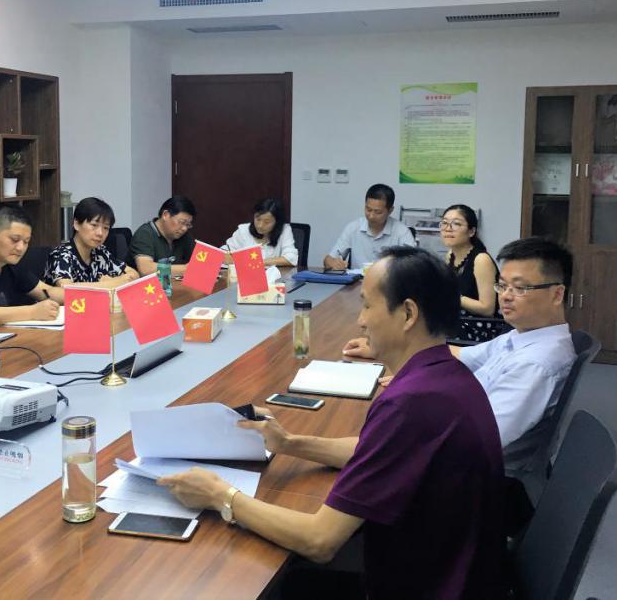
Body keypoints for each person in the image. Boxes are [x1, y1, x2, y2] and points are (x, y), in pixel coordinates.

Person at [158, 246, 504, 598]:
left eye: (367, 305)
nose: (361, 320)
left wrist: (221, 495)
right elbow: (374, 449)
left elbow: (319, 540)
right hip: (449, 571)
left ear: (408, 313)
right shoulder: (445, 375)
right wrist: (290, 443)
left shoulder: (412, 403)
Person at [345, 237, 576, 480]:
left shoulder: (536, 364)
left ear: (557, 294)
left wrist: (419, 397)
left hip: (477, 480)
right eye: (502, 286)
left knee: (365, 454)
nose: (506, 296)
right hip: (459, 441)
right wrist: (388, 346)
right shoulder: (522, 336)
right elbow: (460, 355)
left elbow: (475, 442)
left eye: (520, 288)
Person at [43, 197, 139, 288]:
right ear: (76, 224)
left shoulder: (100, 251)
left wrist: (112, 282)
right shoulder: (61, 255)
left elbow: (134, 275)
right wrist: (111, 283)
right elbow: (67, 289)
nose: (100, 233)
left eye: (106, 228)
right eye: (94, 225)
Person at [323, 184, 415, 270]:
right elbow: (328, 260)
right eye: (368, 209)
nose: (371, 216)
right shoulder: (353, 228)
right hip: (358, 281)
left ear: (390, 210)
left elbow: (414, 265)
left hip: (389, 281)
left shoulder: (402, 232)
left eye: (378, 212)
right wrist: (333, 263)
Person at [441, 204, 498, 317]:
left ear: (471, 231)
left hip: (477, 324)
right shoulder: (450, 255)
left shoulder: (481, 260)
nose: (448, 229)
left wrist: (452, 296)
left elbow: (488, 309)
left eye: (456, 224)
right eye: (444, 223)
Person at [130, 195, 197, 277]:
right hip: (147, 285)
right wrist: (185, 269)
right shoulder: (144, 233)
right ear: (165, 215)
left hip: (172, 284)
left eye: (188, 225)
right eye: (182, 222)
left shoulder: (184, 236)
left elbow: (199, 262)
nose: (184, 228)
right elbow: (146, 269)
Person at [224, 197, 298, 267]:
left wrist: (259, 262)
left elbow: (291, 258)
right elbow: (225, 252)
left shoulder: (284, 230)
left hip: (275, 275)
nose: (260, 225)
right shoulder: (243, 230)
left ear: (277, 222)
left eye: (267, 222)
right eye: (258, 219)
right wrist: (229, 258)